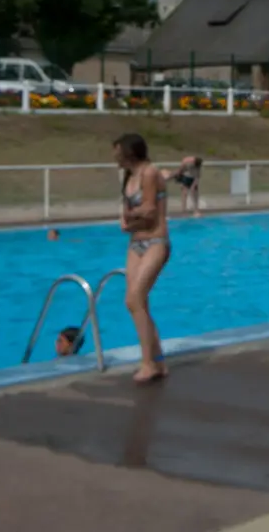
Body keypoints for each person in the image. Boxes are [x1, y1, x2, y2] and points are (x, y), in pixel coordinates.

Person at [115, 132, 171, 385]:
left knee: (134, 299)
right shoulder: (128, 176)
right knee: (137, 302)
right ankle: (157, 360)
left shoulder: (149, 173)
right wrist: (126, 221)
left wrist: (130, 218)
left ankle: (148, 363)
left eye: (117, 151)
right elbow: (130, 211)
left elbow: (149, 209)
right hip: (135, 244)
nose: (113, 157)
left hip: (155, 242)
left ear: (128, 152)